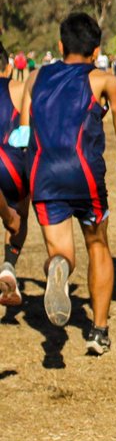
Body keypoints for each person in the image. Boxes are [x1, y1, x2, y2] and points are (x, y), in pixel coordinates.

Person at [22, 12, 116, 355]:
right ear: (96, 49)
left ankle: (59, 268)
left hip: (43, 172)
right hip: (83, 172)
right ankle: (98, 331)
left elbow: (25, 128)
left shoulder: (36, 77)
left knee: (61, 252)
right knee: (98, 245)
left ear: (59, 45)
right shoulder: (103, 79)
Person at [0, 43, 30, 306]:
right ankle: (9, 264)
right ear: (9, 67)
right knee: (20, 213)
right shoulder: (19, 89)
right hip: (10, 163)